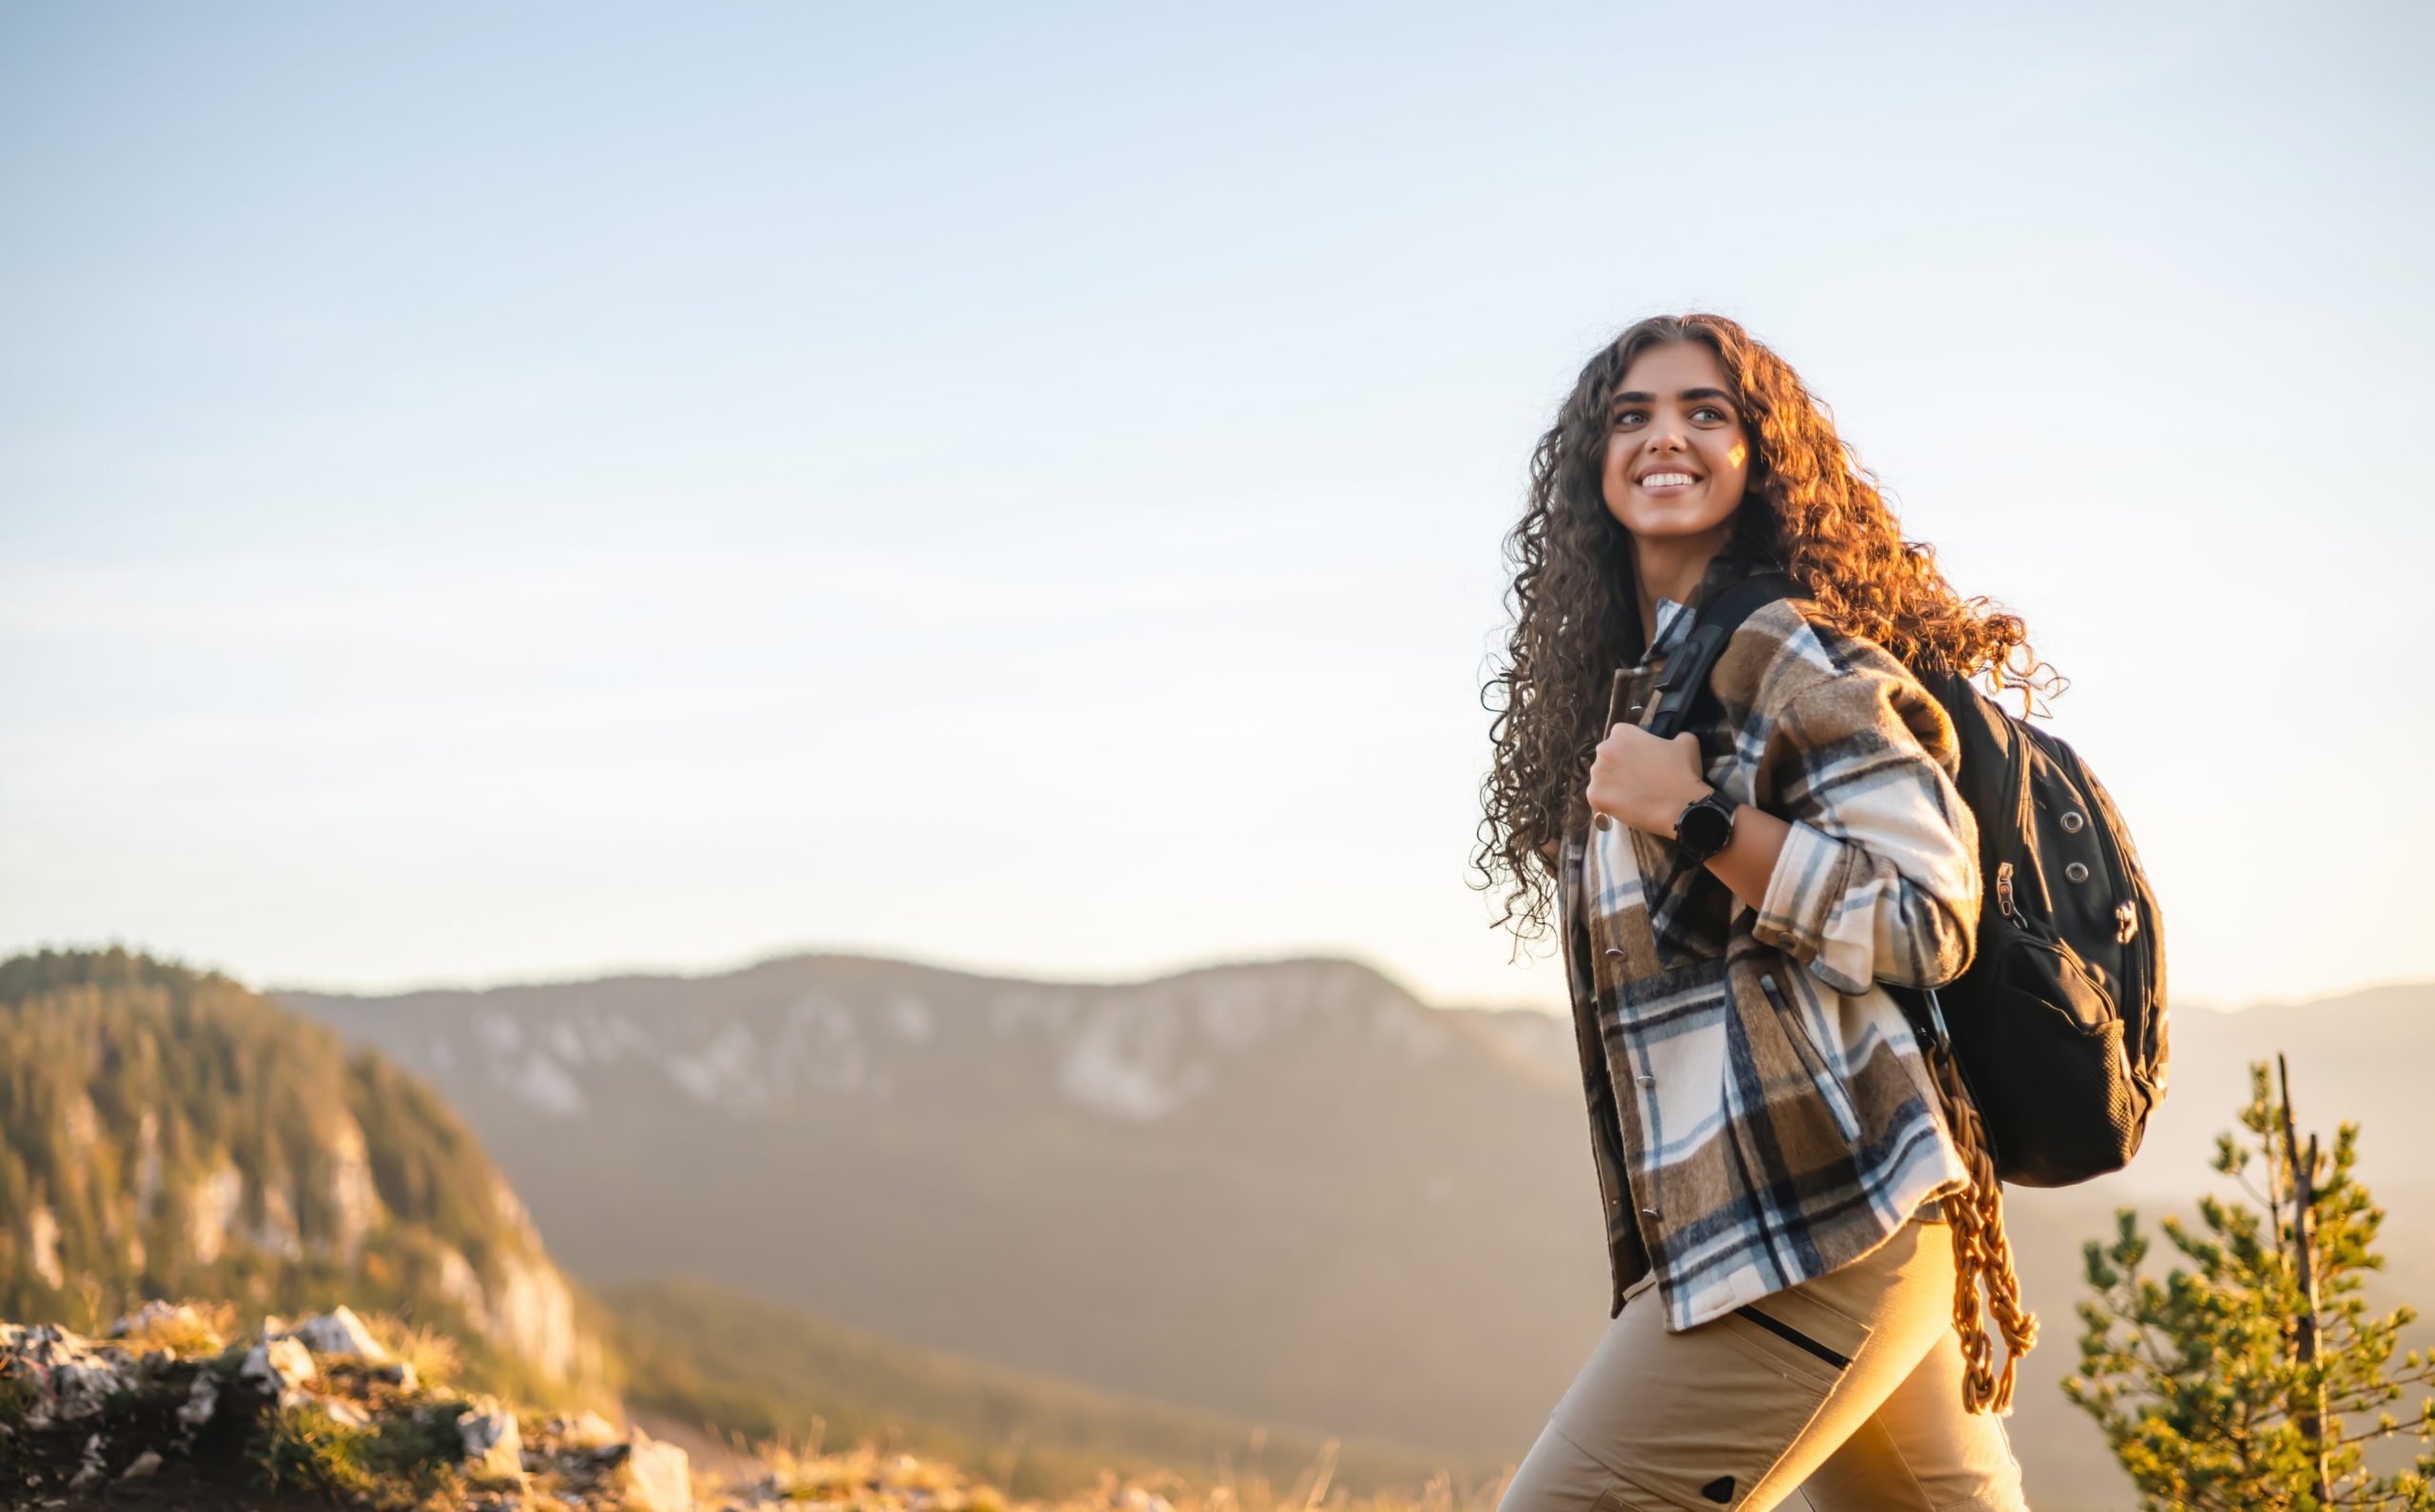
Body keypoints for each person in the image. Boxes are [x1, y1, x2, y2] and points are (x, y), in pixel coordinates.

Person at [1474, 313, 2052, 1511]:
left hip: (1822, 1217)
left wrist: (1697, 818)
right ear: (1593, 464)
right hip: (1817, 1219)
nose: (1663, 436)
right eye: (1629, 416)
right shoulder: (1648, 684)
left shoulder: (1781, 650)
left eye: (1704, 412)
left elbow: (1922, 914)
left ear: (1762, 455)